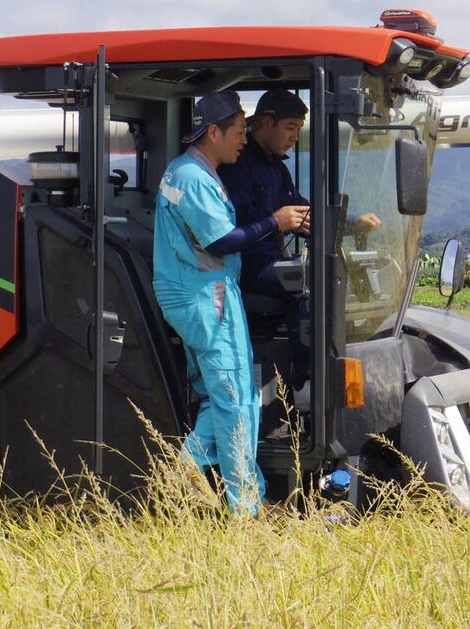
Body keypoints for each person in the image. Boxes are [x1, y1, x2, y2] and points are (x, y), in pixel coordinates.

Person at [152, 91, 307, 516]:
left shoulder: (198, 172)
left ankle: (191, 471)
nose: (244, 139)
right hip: (205, 296)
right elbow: (220, 240)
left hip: (206, 293)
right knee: (238, 399)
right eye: (239, 131)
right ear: (214, 132)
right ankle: (244, 505)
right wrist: (274, 222)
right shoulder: (191, 178)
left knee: (221, 397)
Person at [218, 90, 380, 393]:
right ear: (267, 122)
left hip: (271, 260)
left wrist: (351, 223)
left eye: (298, 129)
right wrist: (277, 218)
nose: (295, 136)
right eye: (290, 127)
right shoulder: (236, 163)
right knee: (308, 284)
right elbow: (237, 218)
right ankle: (308, 384)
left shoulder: (276, 167)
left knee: (331, 276)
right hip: (246, 263)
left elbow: (304, 213)